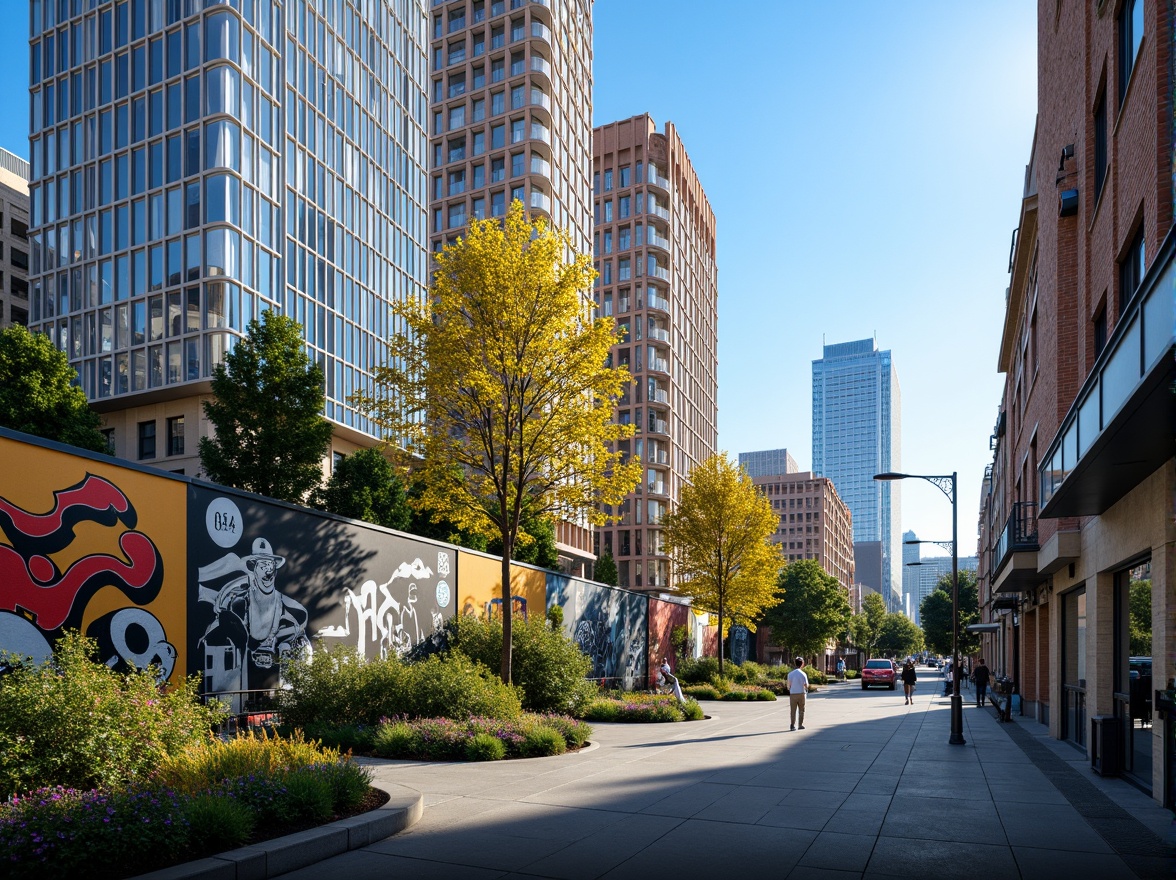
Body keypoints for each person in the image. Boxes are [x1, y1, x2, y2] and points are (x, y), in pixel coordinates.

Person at [786, 657, 809, 730]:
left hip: (793, 693)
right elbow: (806, 685)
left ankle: (792, 725)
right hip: (801, 693)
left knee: (793, 710)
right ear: (802, 664)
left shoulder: (790, 674)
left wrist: (790, 689)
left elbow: (788, 685)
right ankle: (800, 724)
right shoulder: (803, 674)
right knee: (801, 710)